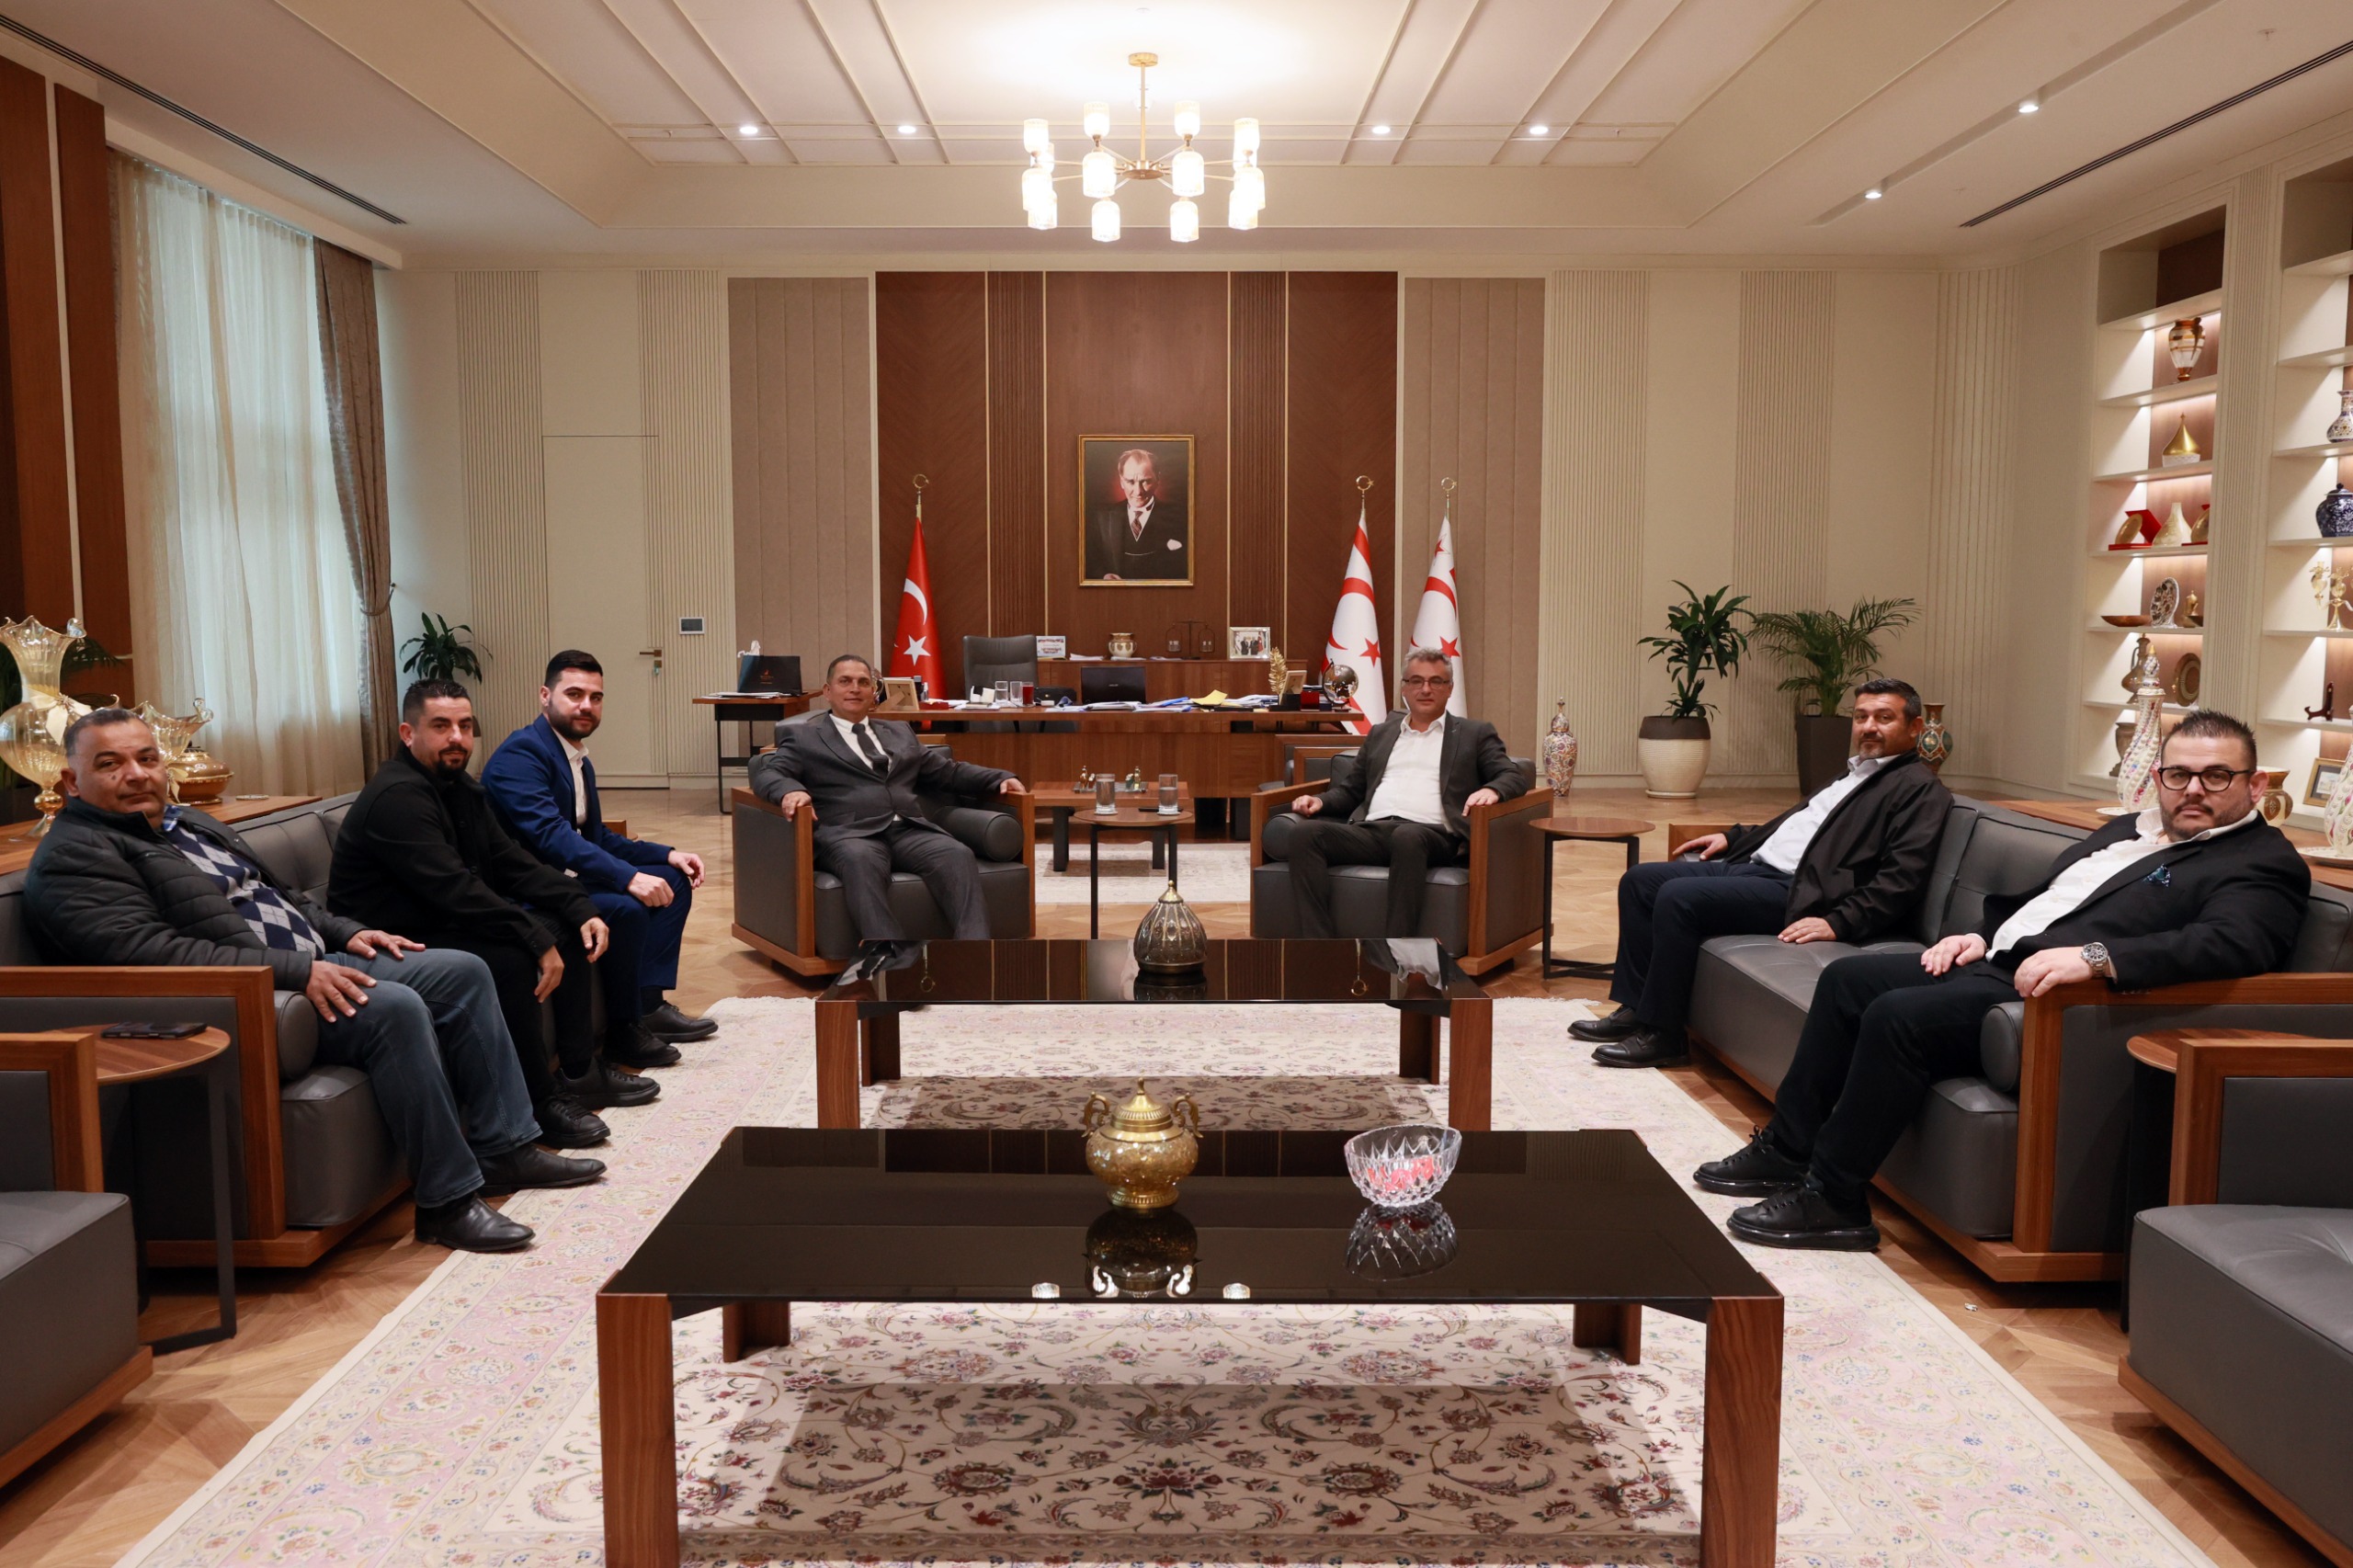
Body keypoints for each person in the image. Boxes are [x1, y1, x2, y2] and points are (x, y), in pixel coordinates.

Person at [1693, 710, 2308, 1251]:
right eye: (2179, 775)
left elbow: (2234, 942)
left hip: (2058, 998)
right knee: (1847, 981)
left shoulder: (2262, 861)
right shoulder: (2131, 828)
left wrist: (2097, 957)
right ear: (2159, 778)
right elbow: (2050, 901)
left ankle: (1835, 1200)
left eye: (2216, 776)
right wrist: (1982, 937)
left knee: (1898, 1017)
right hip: (2000, 961)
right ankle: (1787, 1149)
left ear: (2254, 784)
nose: (2193, 789)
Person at [25, 709, 599, 1253]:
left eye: (147, 759)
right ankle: (447, 1203)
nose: (136, 775)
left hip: (315, 961)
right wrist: (300, 970)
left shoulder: (189, 822)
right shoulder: (75, 857)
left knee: (464, 971)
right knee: (395, 1007)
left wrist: (352, 932)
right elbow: (155, 956)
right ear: (71, 782)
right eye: (110, 764)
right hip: (259, 998)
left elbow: (285, 898)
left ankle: (505, 1147)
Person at [332, 680, 664, 1153]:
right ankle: (538, 1103)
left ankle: (579, 1074)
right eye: (441, 726)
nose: (457, 738)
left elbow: (510, 862)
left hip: (436, 922)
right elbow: (455, 890)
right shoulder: (397, 797)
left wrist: (578, 906)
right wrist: (533, 937)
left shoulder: (459, 788)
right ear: (408, 733)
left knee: (566, 928)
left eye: (465, 726)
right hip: (390, 940)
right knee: (510, 959)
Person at [1574, 678, 1953, 1069]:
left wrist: (1839, 921)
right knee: (1640, 881)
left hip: (1802, 891)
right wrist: (1733, 837)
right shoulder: (1856, 773)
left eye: (1884, 718)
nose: (1869, 726)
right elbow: (1799, 825)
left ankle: (1664, 1035)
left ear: (1914, 727)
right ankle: (1636, 1008)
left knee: (1678, 897)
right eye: (1861, 717)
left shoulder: (1919, 789)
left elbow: (1902, 878)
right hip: (1758, 869)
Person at [482, 651, 715, 1049]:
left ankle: (648, 1005)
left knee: (674, 879)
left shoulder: (577, 758)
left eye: (595, 697)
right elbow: (553, 835)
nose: (586, 706)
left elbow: (596, 837)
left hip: (567, 878)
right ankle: (625, 1031)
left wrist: (666, 854)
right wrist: (628, 877)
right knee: (625, 907)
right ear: (545, 696)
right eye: (574, 694)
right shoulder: (520, 754)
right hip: (530, 889)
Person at [747, 653, 1029, 940]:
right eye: (845, 681)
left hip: (908, 829)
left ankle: (974, 951)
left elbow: (947, 772)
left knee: (956, 854)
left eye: (863, 682)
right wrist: (790, 790)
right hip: (850, 834)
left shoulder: (899, 731)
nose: (855, 688)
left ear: (873, 693)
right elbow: (768, 773)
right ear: (828, 691)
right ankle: (890, 958)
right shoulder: (804, 737)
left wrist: (999, 777)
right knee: (861, 861)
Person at [1283, 645, 1528, 938]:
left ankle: (1396, 951)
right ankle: (1319, 946)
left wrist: (1492, 789)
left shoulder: (1473, 734)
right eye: (1416, 681)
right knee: (1305, 834)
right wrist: (1318, 801)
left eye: (1436, 681)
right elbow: (1351, 791)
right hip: (1373, 832)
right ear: (1404, 688)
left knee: (1407, 836)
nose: (1425, 689)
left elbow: (1512, 775)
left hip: (1433, 835)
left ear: (1449, 688)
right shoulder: (1381, 733)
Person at [1085, 448, 1189, 581]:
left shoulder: (1180, 518)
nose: (1138, 491)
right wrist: (1104, 576)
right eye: (1130, 482)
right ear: (1121, 481)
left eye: (1145, 481)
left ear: (1158, 479)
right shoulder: (1102, 518)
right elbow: (1090, 561)